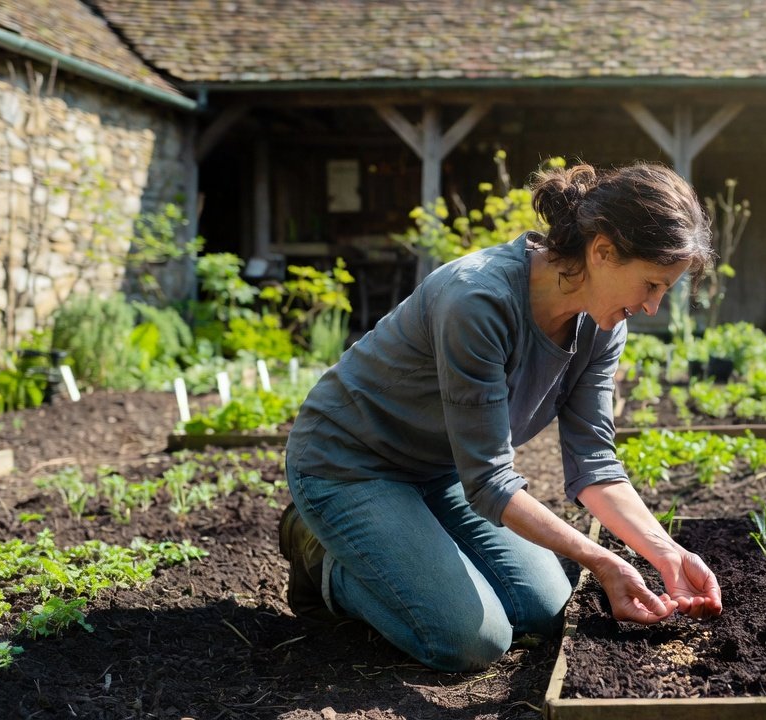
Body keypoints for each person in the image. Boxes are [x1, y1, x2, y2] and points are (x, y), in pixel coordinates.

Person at [280, 161, 723, 672]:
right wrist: (601, 559)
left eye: (663, 289)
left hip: (441, 471)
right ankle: (322, 558)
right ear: (602, 251)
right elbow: (491, 481)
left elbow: (595, 462)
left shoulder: (603, 325)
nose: (653, 306)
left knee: (545, 609)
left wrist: (664, 553)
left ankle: (405, 541)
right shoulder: (478, 298)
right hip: (348, 464)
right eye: (651, 284)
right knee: (472, 642)